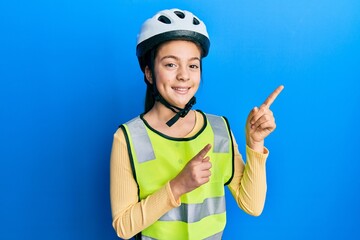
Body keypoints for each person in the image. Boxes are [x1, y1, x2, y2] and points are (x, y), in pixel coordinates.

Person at [110, 8, 284, 240]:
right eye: (171, 64)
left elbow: (252, 205)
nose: (184, 75)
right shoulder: (128, 137)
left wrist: (255, 143)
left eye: (193, 65)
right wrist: (177, 186)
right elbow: (123, 227)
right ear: (149, 72)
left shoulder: (219, 129)